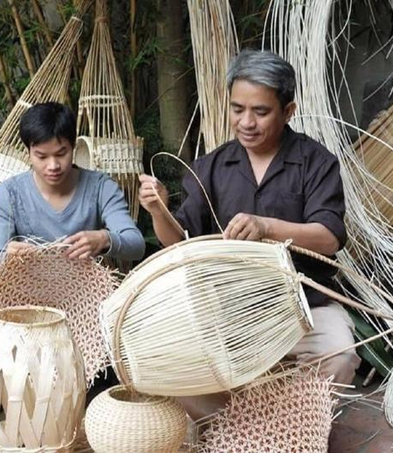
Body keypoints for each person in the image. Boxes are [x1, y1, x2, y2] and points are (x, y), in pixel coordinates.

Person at [138, 50, 361, 420]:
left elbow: (329, 237)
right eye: (237, 109)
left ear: (288, 111)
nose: (246, 122)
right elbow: (177, 242)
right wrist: (158, 209)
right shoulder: (211, 166)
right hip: (227, 307)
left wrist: (266, 226)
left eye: (260, 111)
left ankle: (295, 427)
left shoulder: (316, 162)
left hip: (302, 305)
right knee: (174, 364)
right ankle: (239, 429)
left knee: (340, 354)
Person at [0, 102, 145, 272]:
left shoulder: (101, 187)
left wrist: (105, 239)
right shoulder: (9, 194)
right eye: (41, 156)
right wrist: (7, 259)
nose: (53, 165)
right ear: (28, 151)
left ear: (74, 146)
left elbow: (136, 244)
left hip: (85, 290)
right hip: (25, 291)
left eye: (61, 154)